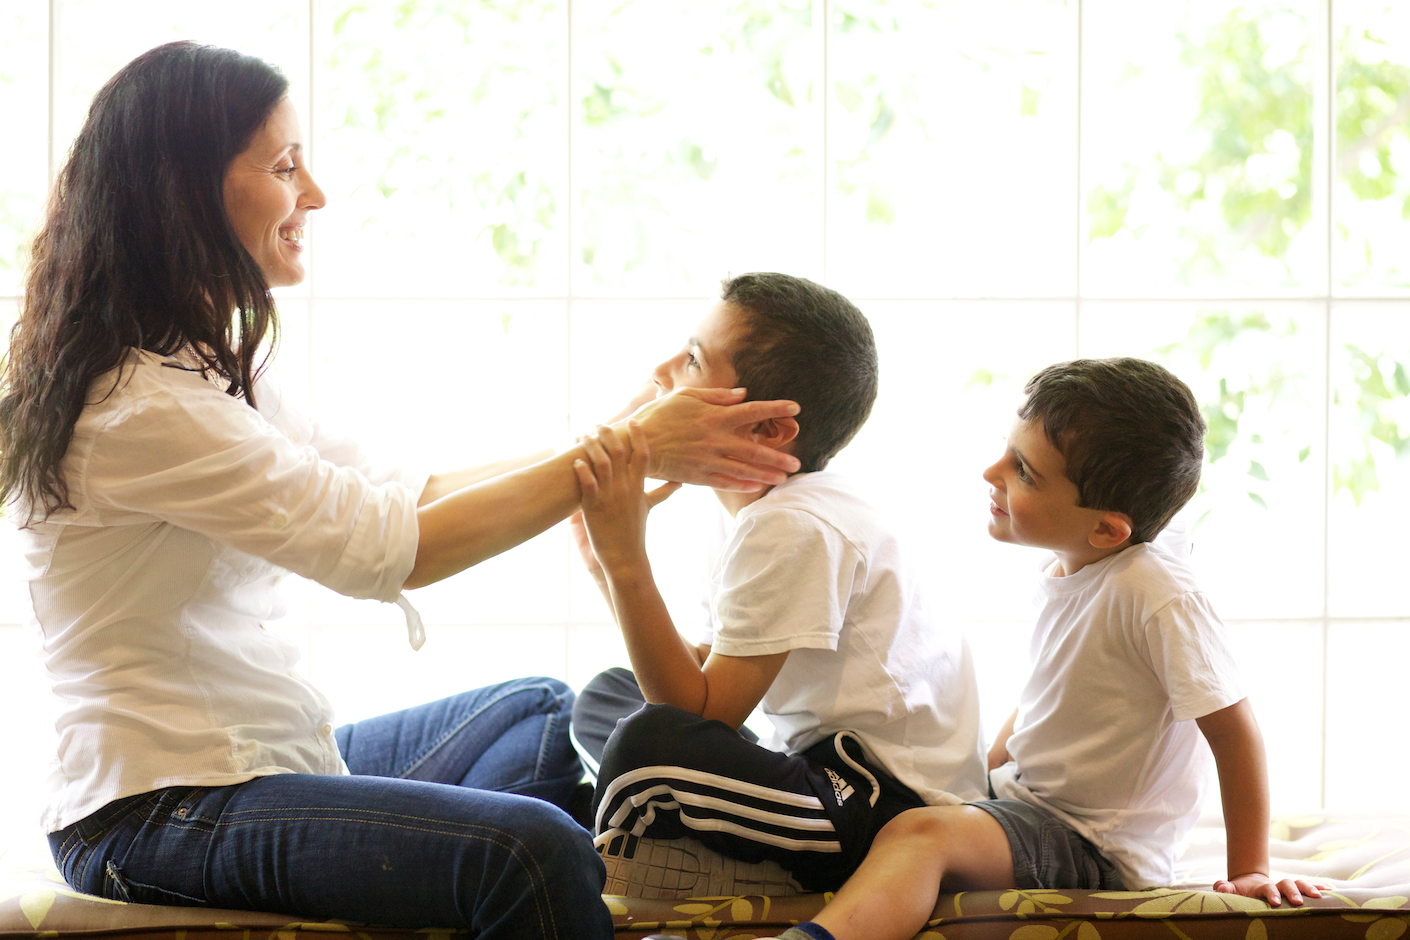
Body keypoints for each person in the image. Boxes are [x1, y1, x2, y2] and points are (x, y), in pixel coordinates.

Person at [0, 42, 803, 940]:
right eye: (284, 166)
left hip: (261, 760)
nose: (315, 193)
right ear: (181, 189)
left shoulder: (206, 370)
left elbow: (402, 492)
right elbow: (394, 549)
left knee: (538, 713)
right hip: (153, 810)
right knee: (528, 849)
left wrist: (617, 448)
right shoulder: (136, 408)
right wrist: (624, 451)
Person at [759, 358, 1328, 940]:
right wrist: (986, 768)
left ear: (1107, 529)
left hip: (1095, 843)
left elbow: (1234, 731)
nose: (991, 470)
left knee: (918, 836)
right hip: (1031, 806)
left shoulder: (1156, 589)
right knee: (885, 811)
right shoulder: (1073, 563)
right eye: (1007, 450)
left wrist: (1251, 870)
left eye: (1024, 471)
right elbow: (1057, 691)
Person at [567, 273, 988, 898]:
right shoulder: (753, 505)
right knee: (611, 695)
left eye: (690, 360)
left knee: (648, 745)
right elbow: (704, 676)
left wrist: (627, 559)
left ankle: (669, 857)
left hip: (877, 805)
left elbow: (695, 713)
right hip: (812, 768)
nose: (660, 371)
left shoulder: (795, 522)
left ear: (767, 429)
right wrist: (606, 569)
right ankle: (688, 844)